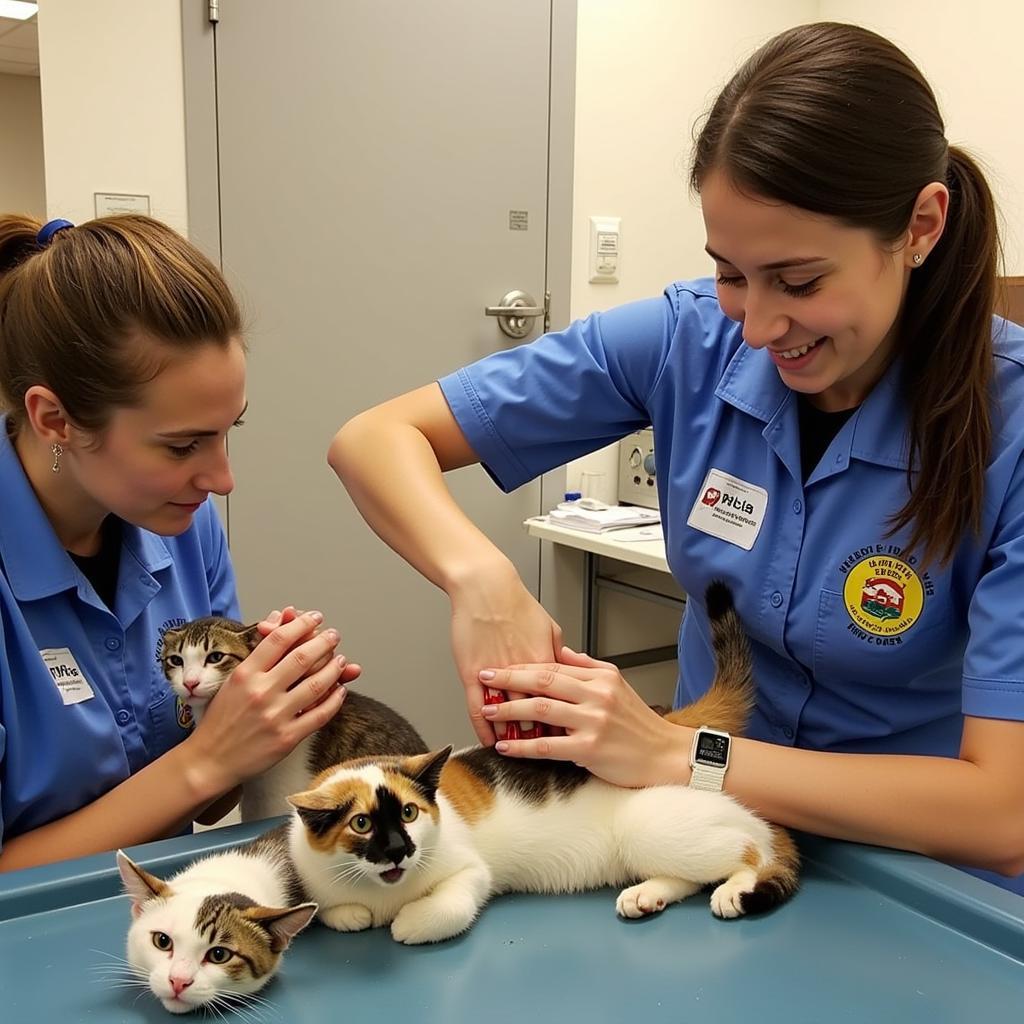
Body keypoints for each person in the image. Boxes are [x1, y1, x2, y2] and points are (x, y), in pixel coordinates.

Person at [328, 22, 1024, 895]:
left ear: (920, 226)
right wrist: (483, 580)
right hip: (695, 847)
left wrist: (675, 751)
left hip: (922, 882)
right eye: (732, 272)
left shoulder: (1014, 427)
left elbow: (1004, 813)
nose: (759, 327)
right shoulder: (686, 339)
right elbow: (373, 440)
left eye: (799, 281)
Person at [0, 214, 357, 873]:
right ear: (55, 419)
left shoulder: (185, 528)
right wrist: (209, 759)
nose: (222, 479)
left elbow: (207, 798)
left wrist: (267, 715)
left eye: (227, 432)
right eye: (182, 444)